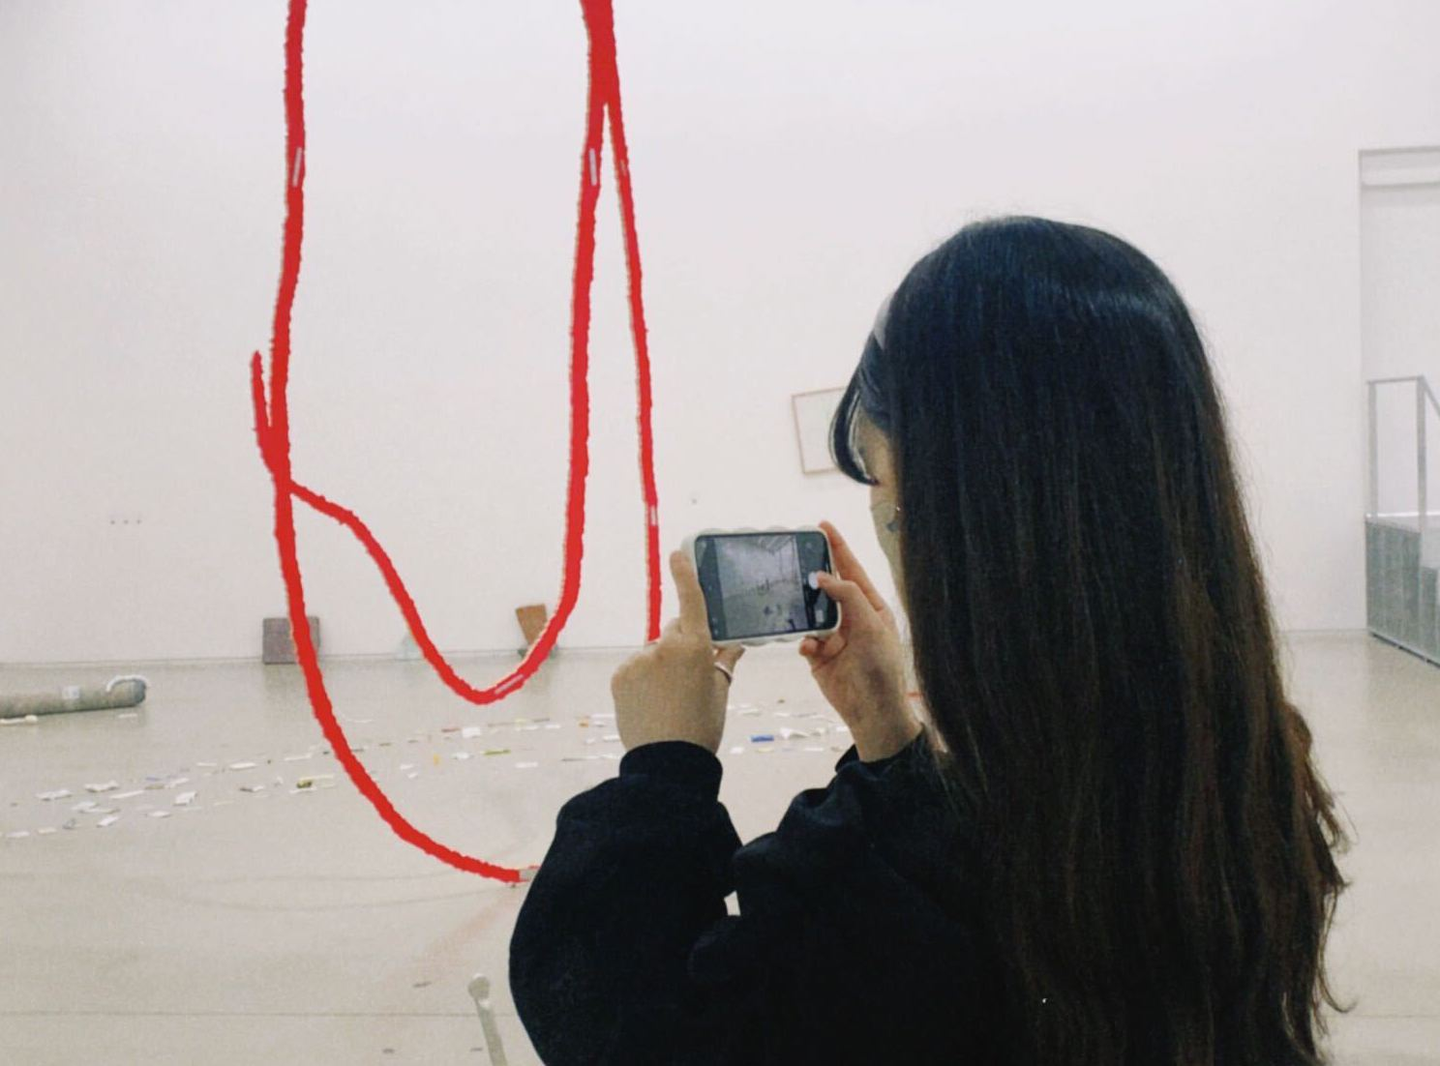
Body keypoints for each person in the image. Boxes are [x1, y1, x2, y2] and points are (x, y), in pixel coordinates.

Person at [509, 215, 1355, 1065]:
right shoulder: (1250, 783)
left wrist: (662, 773)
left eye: (886, 484)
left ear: (969, 527)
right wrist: (890, 742)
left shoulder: (882, 910)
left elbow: (623, 1024)